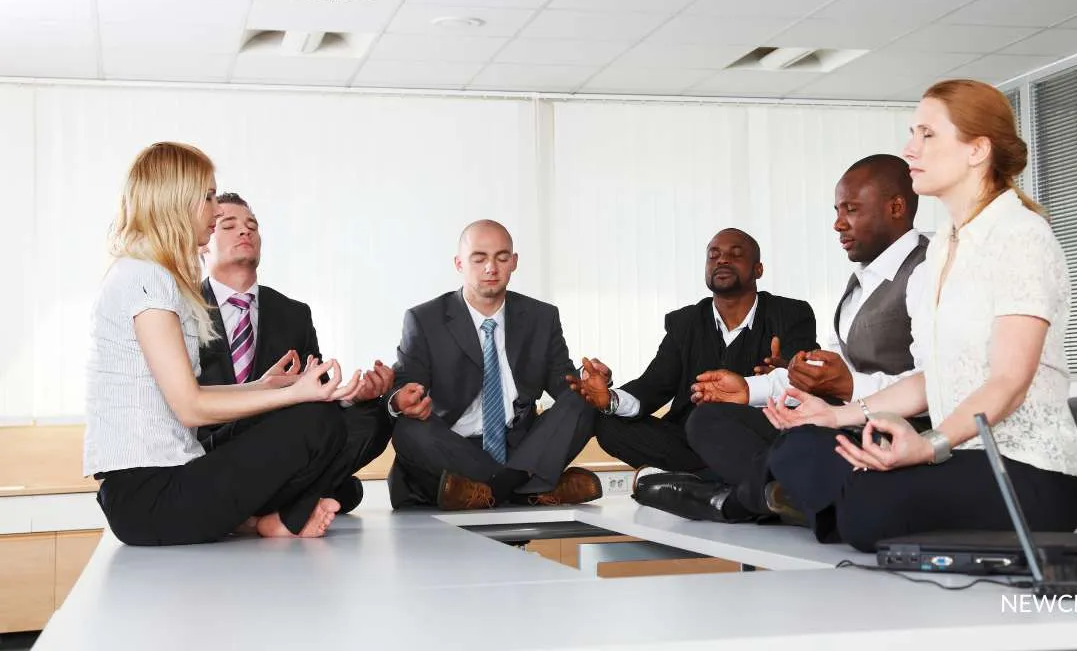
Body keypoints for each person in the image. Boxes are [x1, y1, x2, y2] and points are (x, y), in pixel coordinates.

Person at [765, 79, 1077, 551]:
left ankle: (833, 503)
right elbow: (931, 378)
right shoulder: (941, 248)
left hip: (1026, 472)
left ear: (977, 149)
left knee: (866, 503)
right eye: (911, 134)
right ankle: (840, 500)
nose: (910, 149)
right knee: (803, 444)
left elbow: (1010, 382)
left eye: (927, 135)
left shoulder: (1021, 236)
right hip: (959, 457)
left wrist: (931, 444)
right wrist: (836, 416)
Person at [84, 142, 363, 545]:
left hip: (162, 484)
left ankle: (258, 523)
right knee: (317, 423)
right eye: (209, 197)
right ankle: (283, 517)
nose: (216, 211)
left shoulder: (150, 275)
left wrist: (264, 386)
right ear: (176, 200)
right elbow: (191, 408)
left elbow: (185, 397)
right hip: (148, 496)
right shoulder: (146, 277)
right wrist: (294, 394)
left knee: (325, 423)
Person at [673, 155, 928, 522]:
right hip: (839, 419)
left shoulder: (929, 269)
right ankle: (787, 494)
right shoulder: (859, 284)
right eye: (837, 211)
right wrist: (747, 389)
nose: (838, 224)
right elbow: (825, 375)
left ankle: (743, 501)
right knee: (707, 420)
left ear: (896, 207)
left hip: (895, 431)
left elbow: (940, 387)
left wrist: (850, 388)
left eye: (851, 209)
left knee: (800, 443)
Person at [567, 228, 815, 491]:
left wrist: (779, 375)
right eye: (713, 255)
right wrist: (610, 399)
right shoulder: (685, 322)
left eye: (735, 254)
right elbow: (654, 386)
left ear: (758, 269)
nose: (722, 260)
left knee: (791, 438)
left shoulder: (791, 314)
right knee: (607, 422)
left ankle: (695, 479)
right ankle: (716, 479)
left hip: (751, 437)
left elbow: (805, 382)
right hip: (688, 441)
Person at [196, 192, 394, 514]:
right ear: (203, 242)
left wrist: (352, 396)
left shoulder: (293, 313)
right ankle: (300, 499)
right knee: (345, 489)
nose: (245, 231)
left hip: (279, 446)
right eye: (229, 225)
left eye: (252, 226)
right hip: (211, 451)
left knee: (373, 418)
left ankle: (278, 501)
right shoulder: (182, 308)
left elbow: (319, 396)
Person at [386, 220, 601, 511]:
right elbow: (405, 385)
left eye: (501, 258)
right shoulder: (424, 319)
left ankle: (489, 491)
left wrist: (589, 380)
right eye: (479, 259)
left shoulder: (541, 317)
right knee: (407, 428)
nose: (491, 268)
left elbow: (564, 385)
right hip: (454, 447)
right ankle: (525, 488)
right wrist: (401, 398)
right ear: (459, 263)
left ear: (514, 262)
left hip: (523, 448)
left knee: (584, 400)